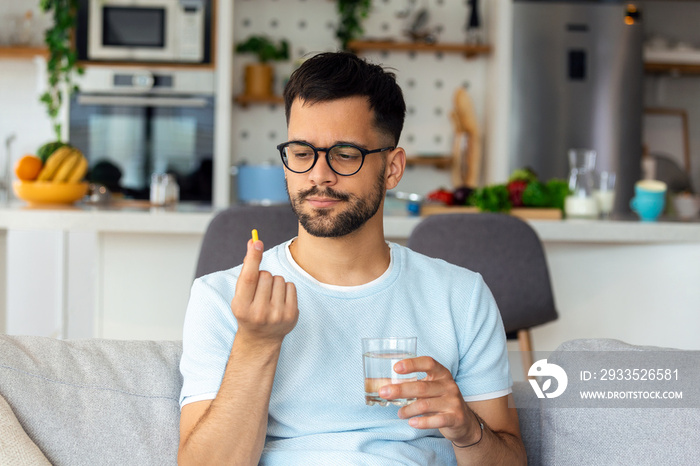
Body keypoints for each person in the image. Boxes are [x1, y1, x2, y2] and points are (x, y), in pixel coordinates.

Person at [178, 51, 527, 465]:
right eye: (302, 152)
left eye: (344, 154)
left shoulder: (461, 297)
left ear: (393, 168)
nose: (319, 175)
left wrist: (469, 430)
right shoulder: (221, 298)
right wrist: (256, 344)